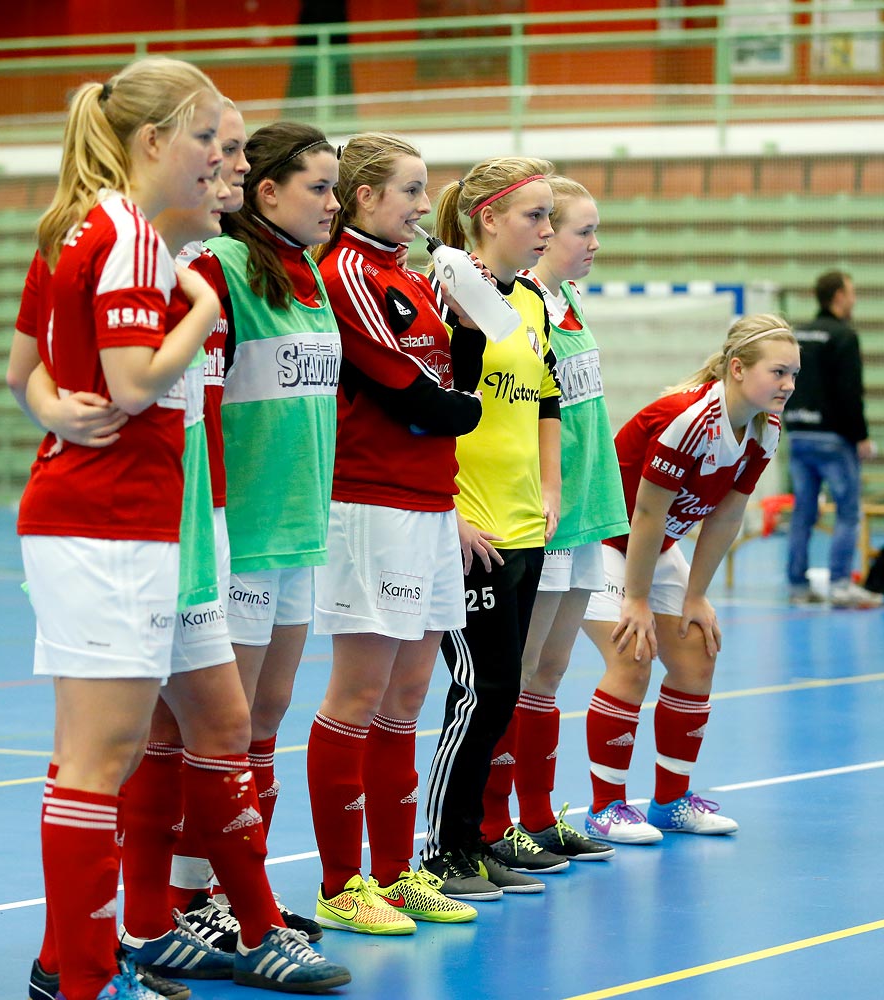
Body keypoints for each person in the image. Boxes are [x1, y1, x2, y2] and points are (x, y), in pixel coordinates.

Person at [13, 59, 348, 1000]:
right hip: (111, 519)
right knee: (98, 756)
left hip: (172, 519)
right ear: (157, 141)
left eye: (238, 148)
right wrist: (195, 313)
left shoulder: (137, 239)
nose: (229, 165)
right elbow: (120, 383)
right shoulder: (131, 241)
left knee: (211, 724)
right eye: (218, 142)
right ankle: (78, 971)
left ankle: (165, 933)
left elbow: (27, 365)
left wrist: (51, 403)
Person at [305, 131, 486, 931]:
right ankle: (342, 884)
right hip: (369, 503)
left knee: (407, 696)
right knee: (357, 693)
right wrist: (463, 405)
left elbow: (458, 379)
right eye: (412, 191)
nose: (423, 207)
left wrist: (474, 322)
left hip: (430, 501)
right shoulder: (346, 269)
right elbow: (410, 394)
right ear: (366, 196)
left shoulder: (410, 275)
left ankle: (393, 870)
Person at [186, 121, 343, 936]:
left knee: (267, 715)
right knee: (221, 723)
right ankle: (186, 897)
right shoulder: (223, 266)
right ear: (268, 190)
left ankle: (233, 891)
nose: (334, 202)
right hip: (241, 527)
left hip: (300, 529)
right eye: (319, 186)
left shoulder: (309, 273)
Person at [579, 315, 799, 844]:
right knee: (632, 657)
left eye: (794, 374)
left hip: (656, 547)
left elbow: (726, 515)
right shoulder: (690, 419)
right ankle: (605, 808)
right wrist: (635, 599)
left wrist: (696, 595)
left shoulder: (764, 428)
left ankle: (671, 801)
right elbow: (648, 515)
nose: (788, 385)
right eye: (778, 372)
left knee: (698, 650)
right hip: (600, 541)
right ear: (738, 369)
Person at [418, 156, 569, 897]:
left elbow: (544, 399)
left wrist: (550, 485)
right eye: (534, 216)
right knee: (482, 690)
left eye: (548, 217)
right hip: (467, 525)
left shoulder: (534, 303)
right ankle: (440, 848)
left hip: (522, 524)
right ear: (486, 220)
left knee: (504, 691)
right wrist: (448, 510)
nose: (547, 230)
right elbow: (431, 408)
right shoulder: (448, 297)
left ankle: (476, 839)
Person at [483, 176, 624, 863]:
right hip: (543, 513)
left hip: (587, 508)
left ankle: (536, 815)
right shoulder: (520, 303)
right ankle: (493, 821)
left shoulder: (568, 301)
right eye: (582, 231)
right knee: (515, 670)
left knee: (551, 670)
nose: (594, 244)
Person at [783, 270, 881, 609]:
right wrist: (862, 436)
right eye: (851, 293)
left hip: (798, 433)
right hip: (833, 439)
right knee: (848, 511)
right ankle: (840, 584)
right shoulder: (844, 336)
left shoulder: (799, 334)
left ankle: (797, 584)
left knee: (803, 512)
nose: (853, 300)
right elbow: (849, 392)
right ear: (839, 296)